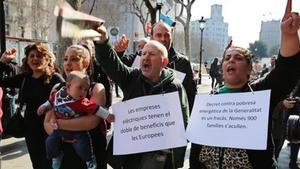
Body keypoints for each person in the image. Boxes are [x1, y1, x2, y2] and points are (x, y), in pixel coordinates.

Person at [190, 0, 300, 168]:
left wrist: (289, 35)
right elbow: (196, 148)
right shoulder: (208, 102)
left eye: (238, 58)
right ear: (222, 67)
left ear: (249, 68)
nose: (231, 60)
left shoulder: (259, 94)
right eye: (227, 58)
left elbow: (286, 73)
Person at [94, 24, 189, 169]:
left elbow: (183, 123)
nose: (145, 57)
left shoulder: (175, 87)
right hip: (131, 157)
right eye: (143, 54)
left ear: (164, 62)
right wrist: (102, 42)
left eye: (151, 54)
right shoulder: (132, 77)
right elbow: (111, 63)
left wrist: (175, 156)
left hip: (160, 159)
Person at [0, 44, 65, 169]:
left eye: (39, 56)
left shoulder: (55, 79)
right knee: (37, 163)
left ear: (47, 59)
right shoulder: (25, 78)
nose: (35, 59)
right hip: (30, 130)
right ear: (28, 59)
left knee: (51, 164)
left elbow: (68, 96)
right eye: (32, 56)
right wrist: (2, 62)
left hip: (49, 129)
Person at [44, 44, 108, 169]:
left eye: (74, 59)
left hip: (90, 150)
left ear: (86, 62)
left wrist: (58, 125)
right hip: (64, 152)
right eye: (65, 59)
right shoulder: (57, 88)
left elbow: (91, 122)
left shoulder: (96, 88)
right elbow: (46, 123)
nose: (67, 63)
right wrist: (64, 135)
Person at [38, 71, 114, 169]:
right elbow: (50, 102)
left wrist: (108, 116)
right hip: (59, 131)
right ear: (68, 86)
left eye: (86, 90)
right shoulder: (58, 94)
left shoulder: (82, 102)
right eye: (80, 88)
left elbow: (96, 109)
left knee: (82, 147)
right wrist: (43, 106)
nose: (83, 92)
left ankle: (89, 160)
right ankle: (56, 156)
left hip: (78, 132)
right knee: (49, 142)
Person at [151, 21, 196, 112]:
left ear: (171, 38)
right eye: (159, 35)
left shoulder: (183, 62)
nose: (163, 39)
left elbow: (191, 95)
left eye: (167, 35)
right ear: (152, 37)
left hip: (174, 120)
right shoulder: (141, 59)